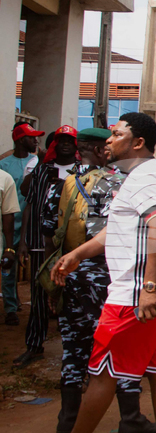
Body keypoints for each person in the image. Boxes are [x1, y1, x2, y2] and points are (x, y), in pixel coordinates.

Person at [14, 112, 156, 433]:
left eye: (116, 134)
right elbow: (121, 227)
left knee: (103, 370)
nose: (108, 140)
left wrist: (148, 288)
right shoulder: (137, 176)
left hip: (138, 291)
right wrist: (78, 253)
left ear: (137, 142)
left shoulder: (147, 178)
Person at [42, 127, 156, 433]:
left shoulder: (63, 184)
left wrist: (59, 271)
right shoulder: (116, 183)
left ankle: (66, 419)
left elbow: (49, 230)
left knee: (73, 346)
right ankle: (130, 419)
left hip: (69, 273)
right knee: (120, 345)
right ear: (98, 149)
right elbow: (112, 234)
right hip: (105, 276)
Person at [14, 125, 77, 368]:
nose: (65, 144)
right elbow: (29, 204)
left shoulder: (82, 171)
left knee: (71, 298)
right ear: (54, 144)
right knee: (39, 295)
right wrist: (23, 242)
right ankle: (34, 346)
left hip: (72, 247)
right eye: (61, 140)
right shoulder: (42, 170)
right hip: (41, 242)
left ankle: (72, 355)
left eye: (69, 140)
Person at [0, 122, 43, 321]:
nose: (35, 140)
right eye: (31, 137)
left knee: (33, 265)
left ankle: (37, 305)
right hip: (9, 223)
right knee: (8, 265)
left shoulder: (37, 162)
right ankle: (10, 306)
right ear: (19, 139)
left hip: (30, 223)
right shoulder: (4, 165)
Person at [0, 167, 19, 324]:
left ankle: (10, 308)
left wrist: (9, 248)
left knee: (7, 278)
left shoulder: (4, 179)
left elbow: (8, 215)